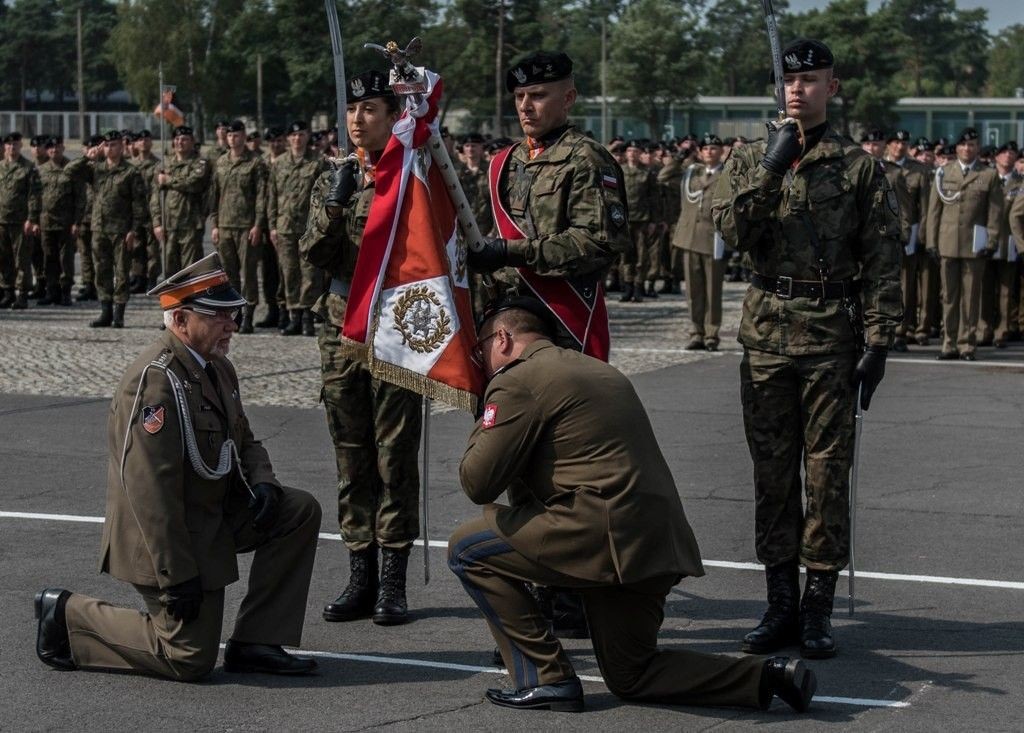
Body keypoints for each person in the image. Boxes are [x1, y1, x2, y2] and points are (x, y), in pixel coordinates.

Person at [449, 297, 817, 714]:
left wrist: (485, 415)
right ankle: (767, 676)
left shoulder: (518, 379)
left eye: (480, 350)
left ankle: (544, 679)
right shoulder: (596, 368)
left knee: (468, 549)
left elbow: (477, 481)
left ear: (502, 338)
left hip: (599, 535)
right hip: (653, 541)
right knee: (632, 674)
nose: (480, 361)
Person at [34, 253, 321, 680]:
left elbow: (244, 439)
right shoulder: (156, 381)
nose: (232, 324)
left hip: (209, 516)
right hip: (166, 537)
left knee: (297, 510)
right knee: (189, 658)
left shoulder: (217, 368)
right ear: (181, 320)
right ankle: (67, 616)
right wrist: (176, 576)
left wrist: (263, 482)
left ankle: (257, 641)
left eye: (233, 313)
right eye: (219, 315)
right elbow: (151, 493)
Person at [711, 39, 901, 659]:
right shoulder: (749, 157)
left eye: (811, 80)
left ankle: (817, 608)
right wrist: (771, 165)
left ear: (832, 88)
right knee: (771, 476)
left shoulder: (859, 168)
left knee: (825, 477)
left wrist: (880, 340)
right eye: (790, 81)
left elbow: (882, 258)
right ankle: (779, 604)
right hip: (766, 336)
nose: (798, 90)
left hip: (830, 340)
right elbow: (732, 232)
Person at [468, 50, 631, 637]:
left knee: (567, 468)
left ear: (569, 97)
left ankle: (574, 589)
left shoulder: (588, 159)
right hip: (510, 333)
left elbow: (600, 243)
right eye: (519, 98)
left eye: (538, 96)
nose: (527, 106)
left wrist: (512, 253)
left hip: (561, 328)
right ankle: (538, 578)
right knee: (520, 463)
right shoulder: (505, 163)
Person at [300, 70, 423, 627]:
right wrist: (332, 203)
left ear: (393, 114)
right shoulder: (334, 177)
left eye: (369, 108)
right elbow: (313, 253)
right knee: (350, 452)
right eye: (350, 109)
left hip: (395, 325)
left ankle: (392, 584)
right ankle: (360, 575)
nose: (356, 119)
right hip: (341, 326)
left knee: (394, 455)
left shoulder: (413, 176)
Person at [925, 127, 1002, 360]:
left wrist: (992, 239)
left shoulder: (988, 174)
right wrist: (931, 242)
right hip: (947, 243)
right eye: (963, 145)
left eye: (972, 145)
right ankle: (948, 344)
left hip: (974, 245)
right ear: (956, 147)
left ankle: (967, 344)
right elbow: (933, 212)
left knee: (971, 298)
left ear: (977, 148)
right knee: (948, 296)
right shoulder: (943, 172)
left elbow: (995, 212)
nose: (967, 148)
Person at [65, 129, 146, 328]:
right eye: (107, 145)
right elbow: (69, 172)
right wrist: (87, 157)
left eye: (114, 145)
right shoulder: (96, 169)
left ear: (121, 147)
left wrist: (133, 230)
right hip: (99, 228)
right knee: (101, 271)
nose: (110, 149)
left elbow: (138, 203)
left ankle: (119, 314)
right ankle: (105, 312)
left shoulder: (130, 171)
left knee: (121, 271)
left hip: (121, 231)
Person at [269, 120, 328, 336]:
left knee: (310, 273)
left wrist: (322, 224)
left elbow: (326, 196)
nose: (297, 139)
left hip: (309, 227)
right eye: (293, 136)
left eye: (301, 135)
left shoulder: (318, 162)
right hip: (284, 227)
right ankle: (293, 316)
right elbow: (272, 196)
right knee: (289, 272)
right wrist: (272, 225)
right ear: (288, 139)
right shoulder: (280, 163)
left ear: (307, 136)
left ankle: (307, 317)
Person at [210, 120, 267, 334]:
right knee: (228, 273)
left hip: (246, 226)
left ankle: (249, 314)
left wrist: (258, 225)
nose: (234, 139)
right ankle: (235, 312)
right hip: (225, 225)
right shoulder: (221, 162)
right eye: (230, 136)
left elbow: (261, 196)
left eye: (238, 135)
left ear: (244, 137)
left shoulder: (255, 163)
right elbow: (215, 195)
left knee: (249, 273)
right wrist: (214, 224)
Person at [672, 132, 728, 351]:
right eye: (705, 148)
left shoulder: (726, 175)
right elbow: (664, 176)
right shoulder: (691, 172)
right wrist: (681, 154)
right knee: (693, 291)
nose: (709, 152)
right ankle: (696, 332)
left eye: (714, 148)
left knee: (713, 291)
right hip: (689, 237)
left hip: (714, 239)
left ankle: (712, 333)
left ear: (721, 151)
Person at [885, 130, 931, 350]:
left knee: (906, 286)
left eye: (903, 142)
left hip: (908, 233)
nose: (899, 146)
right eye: (895, 142)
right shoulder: (877, 167)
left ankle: (901, 332)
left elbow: (924, 208)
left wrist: (921, 235)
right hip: (880, 234)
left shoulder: (918, 170)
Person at [152, 125, 211, 278]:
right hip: (168, 225)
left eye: (184, 139)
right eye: (177, 139)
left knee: (191, 269)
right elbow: (155, 197)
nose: (180, 142)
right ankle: (174, 301)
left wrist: (168, 180)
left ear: (192, 142)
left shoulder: (200, 163)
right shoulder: (164, 165)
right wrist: (157, 223)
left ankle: (190, 301)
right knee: (169, 269)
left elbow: (193, 183)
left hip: (190, 225)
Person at [979, 141, 1021, 348]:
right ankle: (983, 329)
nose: (1008, 156)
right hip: (985, 241)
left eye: (1012, 153)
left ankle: (1001, 332)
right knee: (984, 290)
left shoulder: (1020, 183)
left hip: (1009, 243)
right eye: (1004, 153)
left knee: (1006, 292)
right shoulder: (985, 178)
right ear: (996, 157)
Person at [36, 136, 84, 306]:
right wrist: (34, 220)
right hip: (46, 222)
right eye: (50, 148)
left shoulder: (71, 169)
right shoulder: (41, 170)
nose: (53, 150)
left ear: (63, 148)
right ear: (47, 150)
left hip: (66, 222)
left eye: (57, 147)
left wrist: (77, 222)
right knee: (49, 258)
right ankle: (52, 291)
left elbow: (80, 197)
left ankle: (65, 292)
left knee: (66, 259)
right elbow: (35, 197)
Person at [0, 131, 42, 309]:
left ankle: (22, 294)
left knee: (22, 259)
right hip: (2, 219)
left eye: (15, 144)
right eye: (8, 144)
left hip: (20, 221)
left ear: (20, 146)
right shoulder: (0, 166)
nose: (11, 147)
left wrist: (31, 219)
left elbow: (34, 195)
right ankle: (8, 292)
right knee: (4, 258)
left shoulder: (28, 167)